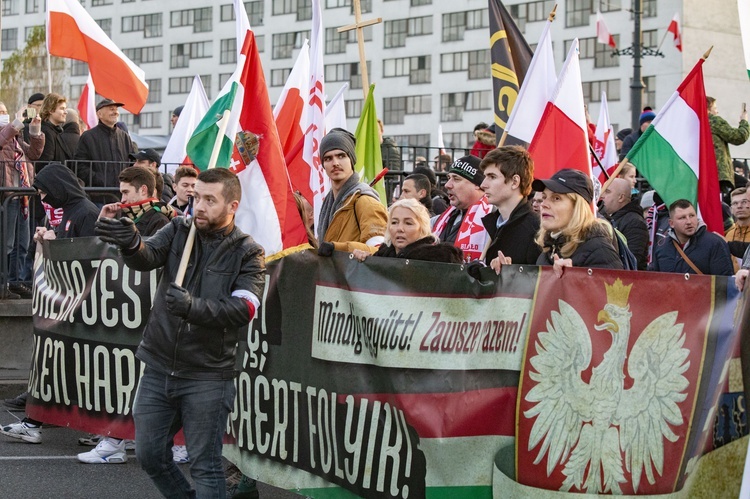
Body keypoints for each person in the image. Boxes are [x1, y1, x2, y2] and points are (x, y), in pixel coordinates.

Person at [94, 168, 265, 496]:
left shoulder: (248, 251)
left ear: (232, 206)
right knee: (149, 454)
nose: (199, 206)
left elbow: (244, 309)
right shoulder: (178, 228)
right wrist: (129, 240)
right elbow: (146, 257)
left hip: (208, 375)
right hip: (159, 366)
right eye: (196, 196)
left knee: (205, 464)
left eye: (210, 200)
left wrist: (192, 307)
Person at [533, 168, 623, 274]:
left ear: (577, 207)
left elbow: (616, 289)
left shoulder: (600, 251)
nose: (543, 204)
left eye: (556, 198)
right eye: (544, 197)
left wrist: (575, 278)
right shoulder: (548, 250)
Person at [316, 128, 388, 254]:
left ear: (352, 160)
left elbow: (379, 253)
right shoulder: (328, 203)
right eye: (328, 158)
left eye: (341, 156)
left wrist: (337, 248)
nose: (335, 163)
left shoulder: (366, 201)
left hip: (353, 273)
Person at [1, 102, 44, 299]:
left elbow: (34, 154)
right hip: (7, 195)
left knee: (22, 243)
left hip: (22, 196)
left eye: (4, 111)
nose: (4, 114)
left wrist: (35, 130)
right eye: (0, 112)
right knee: (6, 243)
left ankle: (15, 281)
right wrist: (17, 122)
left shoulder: (15, 137)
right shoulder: (7, 134)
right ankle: (3, 283)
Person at [477, 146, 541, 270]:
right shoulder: (492, 223)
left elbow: (540, 283)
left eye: (492, 177)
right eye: (485, 176)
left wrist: (511, 273)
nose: (483, 184)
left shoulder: (536, 230)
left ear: (515, 182)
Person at [352, 198, 463, 263]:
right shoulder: (383, 255)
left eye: (408, 223)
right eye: (394, 222)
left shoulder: (437, 258)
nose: (400, 229)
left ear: (422, 228)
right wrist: (364, 260)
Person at [75, 98, 137, 205]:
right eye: (111, 109)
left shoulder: (124, 137)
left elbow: (132, 164)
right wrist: (101, 180)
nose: (115, 112)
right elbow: (80, 166)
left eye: (116, 109)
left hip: (122, 197)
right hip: (98, 197)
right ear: (99, 114)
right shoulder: (88, 137)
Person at [648, 199, 733, 276]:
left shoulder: (715, 244)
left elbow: (724, 283)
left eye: (692, 216)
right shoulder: (662, 248)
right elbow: (656, 282)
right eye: (682, 218)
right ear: (671, 223)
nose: (689, 222)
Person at [432, 155, 491, 262]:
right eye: (449, 178)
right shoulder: (438, 220)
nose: (447, 185)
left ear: (478, 185)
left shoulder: (493, 219)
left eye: (456, 179)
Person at [99, 166, 170, 236]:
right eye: (122, 194)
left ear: (143, 190)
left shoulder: (160, 221)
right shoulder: (127, 217)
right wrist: (103, 223)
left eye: (126, 192)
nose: (122, 200)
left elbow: (150, 247)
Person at [600, 177, 649, 270]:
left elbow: (631, 261)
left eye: (607, 191)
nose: (602, 195)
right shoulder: (606, 218)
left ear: (621, 197)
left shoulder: (635, 223)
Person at [707, 97, 750, 199]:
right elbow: (739, 137)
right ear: (708, 109)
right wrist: (744, 121)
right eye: (715, 108)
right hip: (719, 172)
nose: (717, 111)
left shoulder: (696, 122)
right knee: (743, 185)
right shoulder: (713, 121)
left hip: (704, 171)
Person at [726, 187, 750, 264]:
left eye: (744, 202)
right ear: (731, 209)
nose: (739, 206)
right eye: (735, 203)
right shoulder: (729, 234)